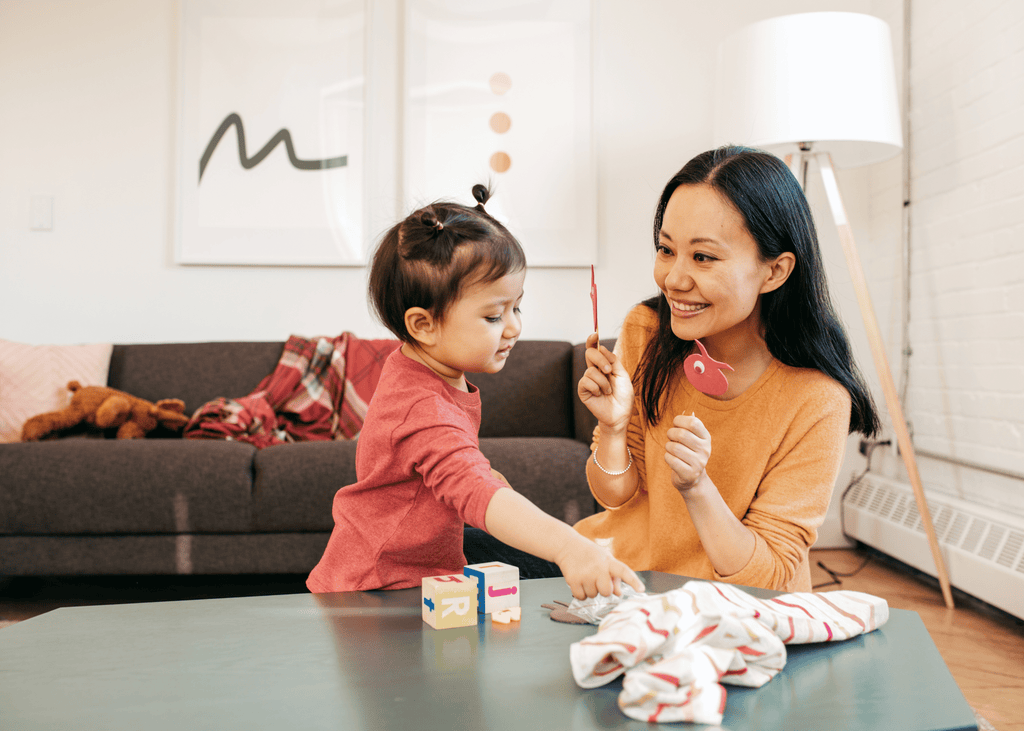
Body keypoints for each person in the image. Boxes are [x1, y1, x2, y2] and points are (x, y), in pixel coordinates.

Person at [307, 184, 644, 600]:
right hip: (377, 590)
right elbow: (473, 487)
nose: (514, 327)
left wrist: (479, 475)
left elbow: (438, 465)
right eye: (493, 315)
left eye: (515, 307)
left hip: (415, 573)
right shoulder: (423, 406)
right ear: (423, 325)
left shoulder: (424, 369)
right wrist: (569, 547)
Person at [575, 146, 880, 593]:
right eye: (666, 249)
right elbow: (614, 496)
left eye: (704, 257)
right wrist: (615, 428)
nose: (674, 279)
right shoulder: (647, 331)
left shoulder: (818, 399)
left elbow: (769, 576)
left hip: (740, 611)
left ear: (775, 271)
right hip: (628, 582)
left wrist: (696, 486)